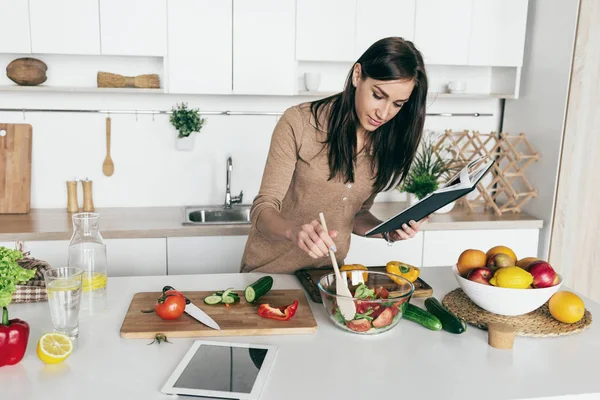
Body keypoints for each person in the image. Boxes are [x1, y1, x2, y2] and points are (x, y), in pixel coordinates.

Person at [240, 37, 429, 274]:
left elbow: (355, 214)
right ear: (358, 75)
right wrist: (294, 231)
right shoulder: (299, 122)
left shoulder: (385, 143)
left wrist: (388, 231)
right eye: (378, 96)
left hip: (328, 278)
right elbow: (262, 209)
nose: (384, 112)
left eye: (398, 104)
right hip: (270, 274)